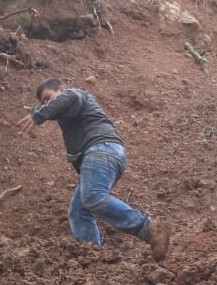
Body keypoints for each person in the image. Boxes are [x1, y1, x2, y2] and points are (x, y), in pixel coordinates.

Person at [17, 78, 170, 261]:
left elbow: (66, 99)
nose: (47, 104)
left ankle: (149, 229)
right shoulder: (68, 112)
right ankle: (91, 256)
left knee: (92, 196)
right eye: (43, 103)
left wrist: (39, 115)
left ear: (61, 89)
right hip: (103, 155)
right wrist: (41, 111)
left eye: (49, 98)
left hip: (101, 150)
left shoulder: (75, 95)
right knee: (78, 211)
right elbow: (57, 106)